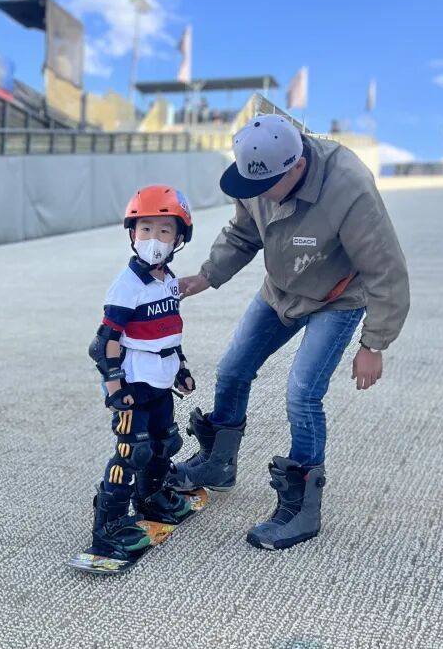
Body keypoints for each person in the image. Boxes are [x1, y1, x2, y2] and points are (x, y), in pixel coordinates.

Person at [171, 115, 409, 550]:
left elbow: (386, 270)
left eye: (267, 185)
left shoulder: (348, 187)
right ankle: (218, 464)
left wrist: (374, 343)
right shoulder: (255, 178)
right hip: (280, 290)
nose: (258, 194)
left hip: (336, 298)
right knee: (233, 369)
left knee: (302, 393)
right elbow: (243, 233)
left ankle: (302, 508)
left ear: (297, 165)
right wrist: (207, 275)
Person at [86, 186, 198, 562]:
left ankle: (151, 497)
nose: (154, 239)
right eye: (146, 229)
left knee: (166, 442)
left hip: (160, 379)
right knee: (133, 451)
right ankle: (109, 525)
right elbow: (104, 343)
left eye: (164, 231)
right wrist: (115, 388)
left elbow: (169, 331)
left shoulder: (168, 281)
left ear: (179, 238)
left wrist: (180, 369)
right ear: (132, 233)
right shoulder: (127, 286)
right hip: (134, 381)